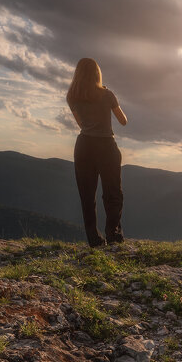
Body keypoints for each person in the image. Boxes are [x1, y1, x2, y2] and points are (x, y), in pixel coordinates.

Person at [66, 57, 128, 246]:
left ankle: (93, 238)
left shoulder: (72, 96)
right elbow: (123, 120)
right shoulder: (107, 94)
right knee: (112, 193)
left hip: (84, 146)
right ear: (97, 74)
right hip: (106, 146)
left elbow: (81, 124)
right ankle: (113, 234)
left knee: (87, 195)